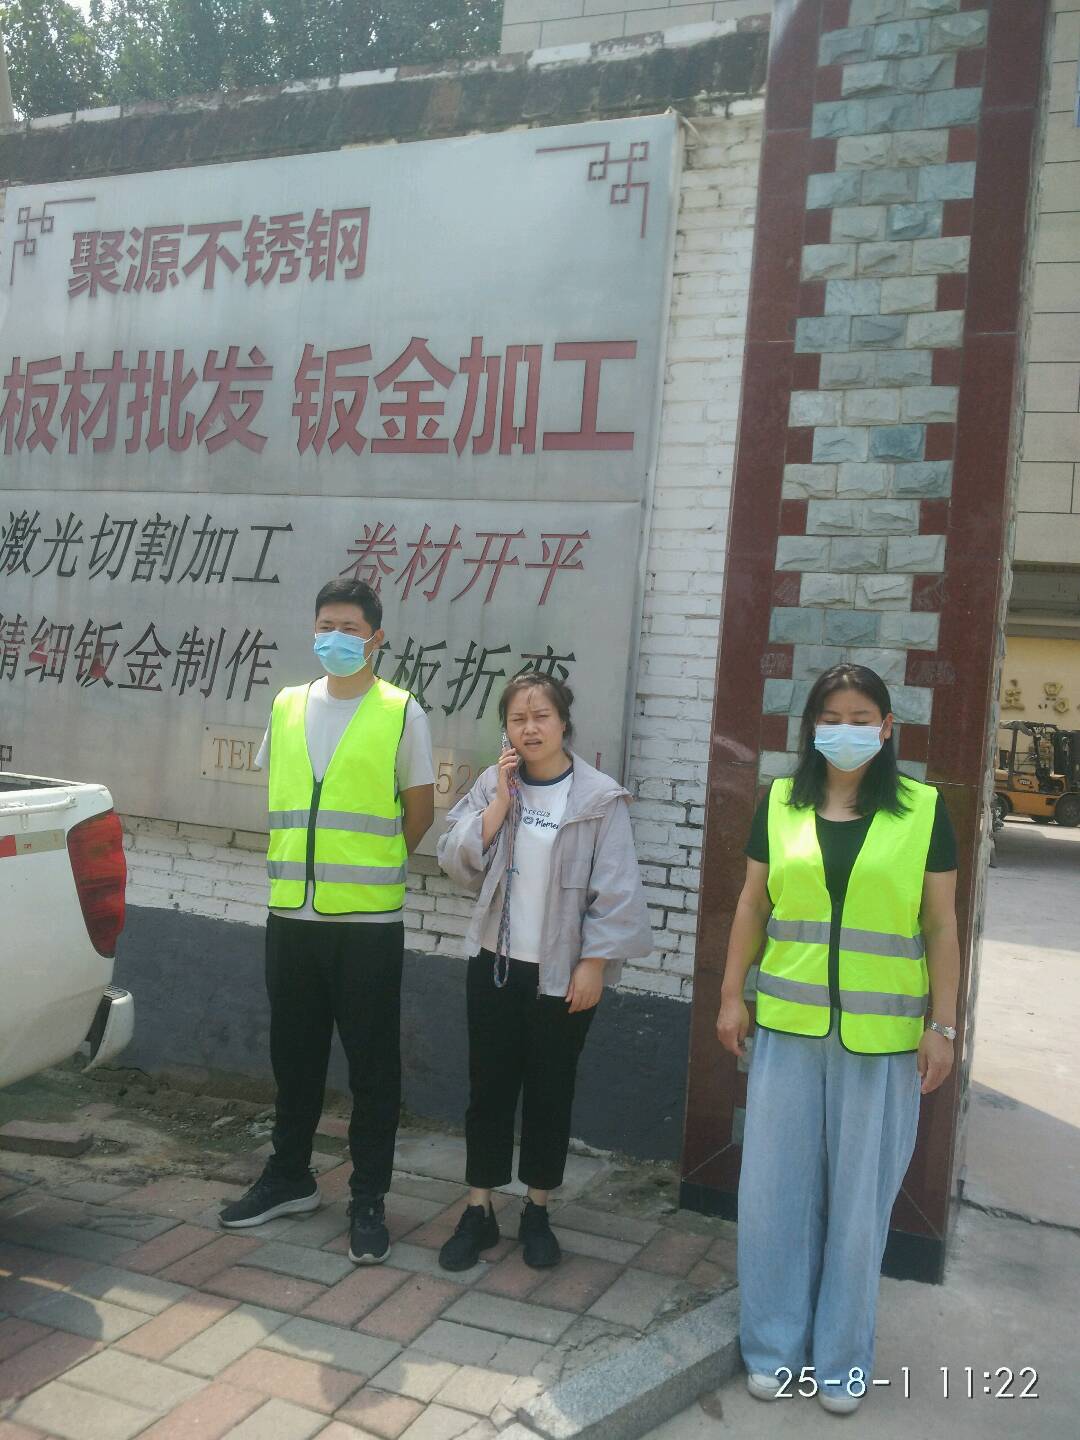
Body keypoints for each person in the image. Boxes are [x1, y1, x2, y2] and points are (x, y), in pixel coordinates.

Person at [715, 664, 960, 1415]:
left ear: (886, 728)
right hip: (788, 1031)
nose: (845, 730)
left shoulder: (923, 810)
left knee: (858, 1208)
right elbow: (752, 904)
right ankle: (773, 1347)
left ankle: (842, 1361)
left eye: (861, 717)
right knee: (774, 1197)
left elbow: (941, 925)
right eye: (831, 717)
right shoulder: (779, 804)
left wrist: (943, 1026)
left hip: (881, 1042)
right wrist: (730, 995)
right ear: (812, 727)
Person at [219, 577, 435, 1265]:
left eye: (349, 627)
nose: (334, 638)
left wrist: (374, 867)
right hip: (291, 915)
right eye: (325, 625)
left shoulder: (401, 711)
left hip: (367, 924)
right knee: (295, 1058)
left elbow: (419, 811)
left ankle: (368, 1197)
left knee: (373, 1069)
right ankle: (290, 1177)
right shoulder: (287, 705)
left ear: (376, 637)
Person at [434, 673, 653, 1271]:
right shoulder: (494, 783)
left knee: (550, 1093)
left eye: (541, 716)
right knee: (488, 1090)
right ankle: (479, 1209)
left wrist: (594, 964)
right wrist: (501, 803)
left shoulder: (598, 799)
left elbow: (617, 889)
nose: (529, 728)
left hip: (563, 976)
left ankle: (536, 1209)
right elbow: (454, 859)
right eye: (517, 719)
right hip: (495, 965)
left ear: (563, 723)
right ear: (506, 729)